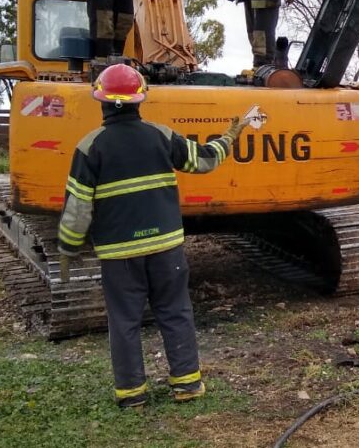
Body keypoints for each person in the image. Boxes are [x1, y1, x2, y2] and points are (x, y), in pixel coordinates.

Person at [56, 64, 251, 408]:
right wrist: (230, 136)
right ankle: (187, 385)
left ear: (101, 100)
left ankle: (132, 395)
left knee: (124, 321)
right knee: (175, 311)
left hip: (120, 256)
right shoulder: (160, 135)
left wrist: (68, 249)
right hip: (166, 248)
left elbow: (78, 209)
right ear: (139, 99)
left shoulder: (89, 148)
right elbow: (204, 161)